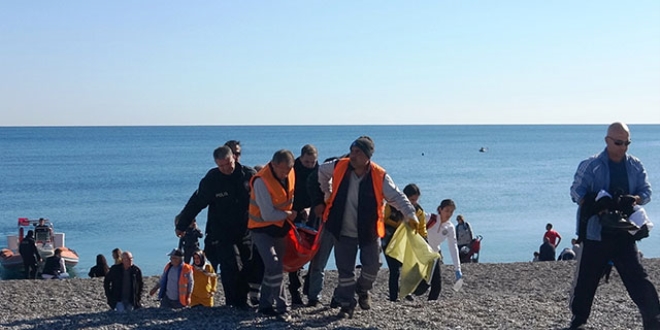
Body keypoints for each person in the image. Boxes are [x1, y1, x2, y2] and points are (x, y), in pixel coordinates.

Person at [569, 122, 660, 330]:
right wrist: (595, 203)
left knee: (638, 278)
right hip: (596, 234)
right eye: (619, 142)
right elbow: (576, 191)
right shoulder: (591, 165)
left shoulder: (635, 165)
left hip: (624, 233)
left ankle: (654, 320)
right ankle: (578, 321)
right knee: (586, 281)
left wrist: (634, 199)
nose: (623, 147)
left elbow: (647, 192)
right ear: (607, 141)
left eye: (627, 142)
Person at [318, 136, 419, 318]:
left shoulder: (379, 175)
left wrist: (410, 214)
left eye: (357, 152)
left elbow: (396, 196)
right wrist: (327, 190)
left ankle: (362, 289)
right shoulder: (339, 165)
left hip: (369, 230)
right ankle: (347, 304)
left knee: (373, 266)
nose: (352, 155)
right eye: (352, 151)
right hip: (341, 228)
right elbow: (321, 172)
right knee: (345, 271)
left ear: (367, 156)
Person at [175, 145, 257, 309]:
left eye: (228, 164)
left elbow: (263, 198)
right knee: (231, 265)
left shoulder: (249, 175)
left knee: (248, 265)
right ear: (216, 164)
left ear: (234, 157)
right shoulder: (212, 180)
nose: (226, 168)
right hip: (221, 231)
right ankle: (233, 302)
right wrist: (182, 224)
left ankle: (242, 300)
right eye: (221, 166)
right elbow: (196, 203)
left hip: (245, 229)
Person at [248, 149, 297, 322]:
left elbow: (291, 197)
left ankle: (265, 305)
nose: (285, 173)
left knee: (273, 269)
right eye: (282, 170)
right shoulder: (261, 181)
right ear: (274, 165)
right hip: (261, 229)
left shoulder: (291, 173)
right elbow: (268, 214)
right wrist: (289, 214)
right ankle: (284, 307)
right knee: (274, 265)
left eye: (288, 169)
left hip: (280, 228)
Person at [382, 183, 428, 302]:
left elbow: (422, 229)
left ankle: (406, 291)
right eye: (411, 199)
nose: (413, 203)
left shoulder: (418, 211)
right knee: (394, 269)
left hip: (406, 242)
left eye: (416, 200)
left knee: (409, 268)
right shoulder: (390, 207)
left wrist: (425, 243)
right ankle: (393, 297)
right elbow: (382, 220)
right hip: (389, 240)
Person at [288, 144, 319, 305]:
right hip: (294, 215)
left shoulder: (318, 170)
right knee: (295, 253)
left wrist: (310, 208)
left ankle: (310, 289)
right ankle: (294, 291)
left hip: (312, 215)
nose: (309, 165)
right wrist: (299, 210)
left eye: (312, 162)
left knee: (313, 253)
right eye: (307, 162)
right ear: (301, 158)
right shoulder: (293, 169)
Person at [426, 199, 462, 300]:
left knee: (437, 285)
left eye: (451, 211)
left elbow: (453, 247)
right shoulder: (429, 218)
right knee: (422, 285)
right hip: (421, 253)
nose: (449, 214)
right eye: (446, 210)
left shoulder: (450, 228)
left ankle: (430, 306)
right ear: (440, 209)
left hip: (434, 255)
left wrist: (457, 269)